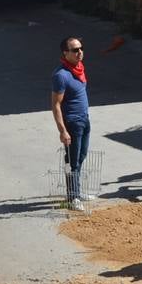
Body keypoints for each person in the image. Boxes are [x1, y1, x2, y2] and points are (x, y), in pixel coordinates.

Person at [51, 36, 91, 211]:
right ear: (65, 53)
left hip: (84, 120)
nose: (80, 52)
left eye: (81, 48)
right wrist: (62, 131)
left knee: (81, 157)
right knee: (72, 161)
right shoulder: (61, 75)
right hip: (72, 123)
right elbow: (56, 105)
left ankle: (77, 192)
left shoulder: (79, 68)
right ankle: (72, 197)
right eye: (75, 50)